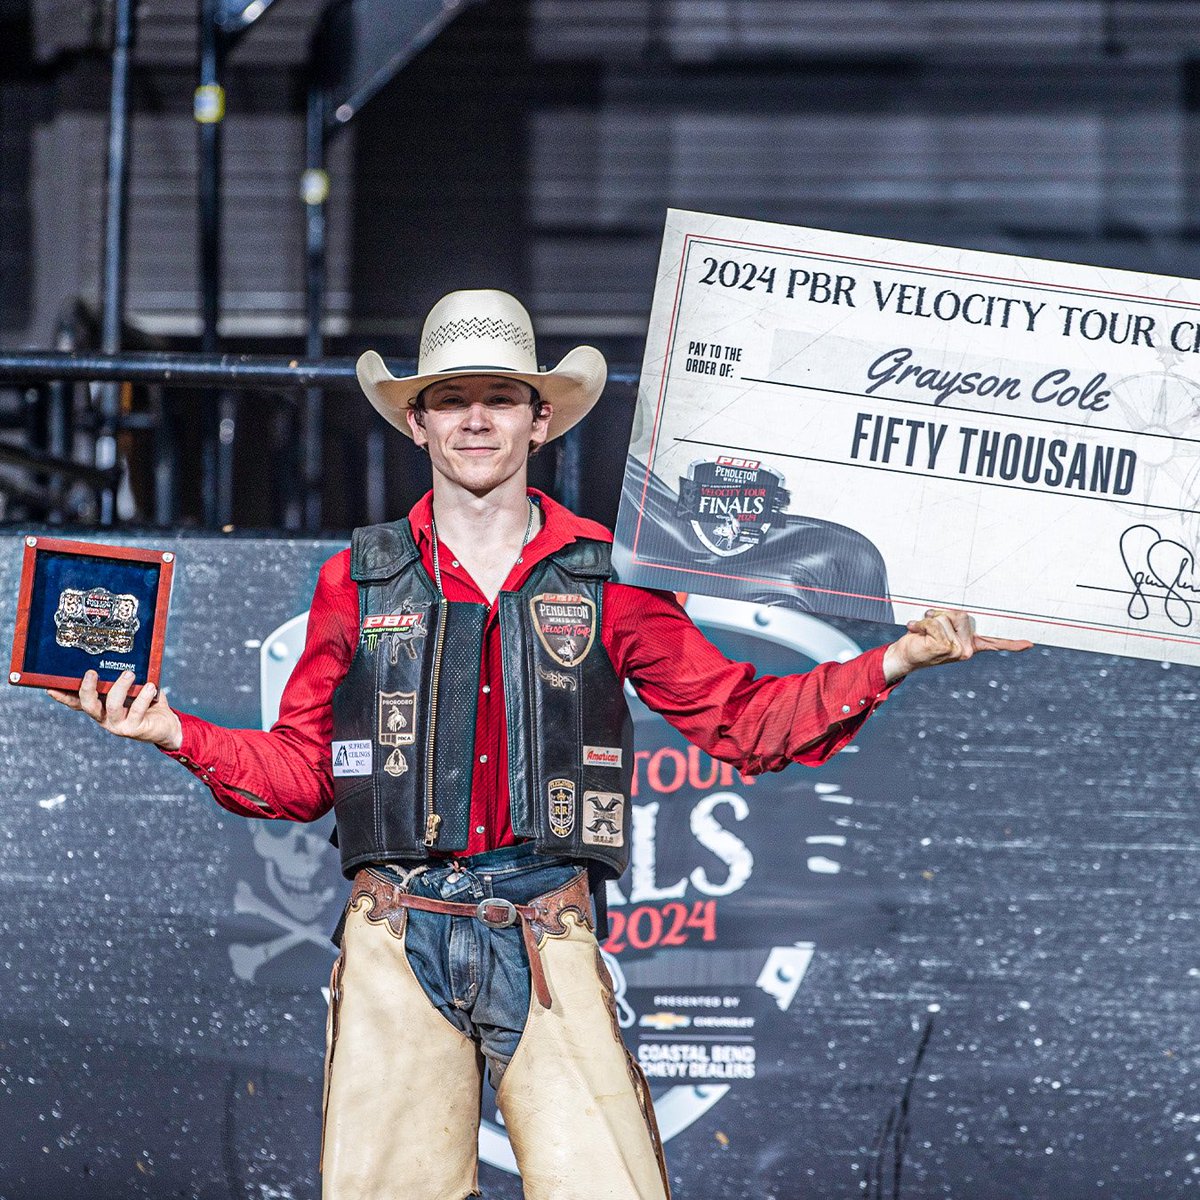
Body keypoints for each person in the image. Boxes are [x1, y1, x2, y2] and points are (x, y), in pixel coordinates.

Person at [49, 289, 1031, 1200]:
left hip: (546, 931)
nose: (477, 420)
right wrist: (174, 731)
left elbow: (742, 724)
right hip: (397, 932)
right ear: (418, 421)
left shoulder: (612, 579)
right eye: (452, 400)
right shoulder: (357, 579)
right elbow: (305, 776)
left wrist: (894, 659)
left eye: (500, 399)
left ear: (539, 419)